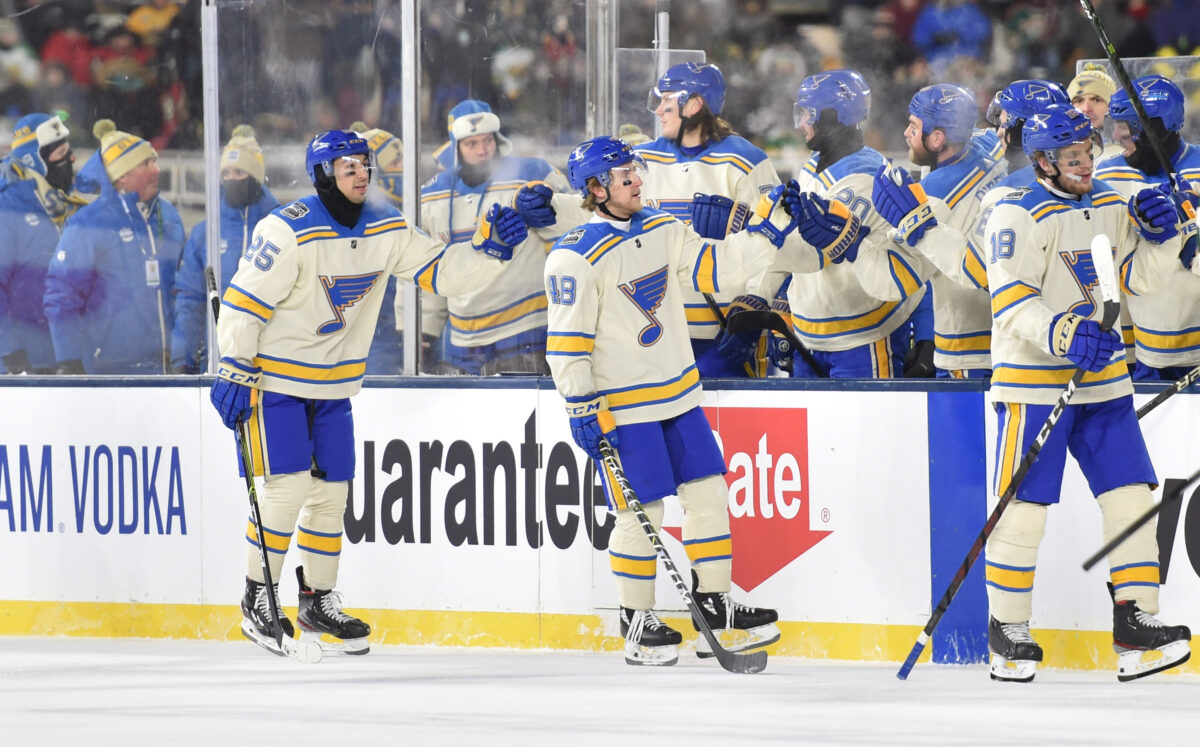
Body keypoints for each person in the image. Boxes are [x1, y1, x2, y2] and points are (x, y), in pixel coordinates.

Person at [210, 130, 524, 657]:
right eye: (347, 166)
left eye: (364, 165)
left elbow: (441, 272)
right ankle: (257, 598)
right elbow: (243, 302)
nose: (360, 173)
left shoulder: (387, 227)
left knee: (331, 498)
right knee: (286, 492)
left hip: (334, 386)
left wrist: (489, 249)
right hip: (277, 382)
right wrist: (236, 367)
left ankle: (316, 600)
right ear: (322, 174)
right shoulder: (287, 230)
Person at [544, 135, 779, 667]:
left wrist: (768, 234)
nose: (637, 180)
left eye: (635, 171)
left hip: (678, 393)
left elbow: (716, 270)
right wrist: (581, 406)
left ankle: (714, 604)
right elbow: (567, 346)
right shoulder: (573, 258)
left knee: (709, 493)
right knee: (639, 512)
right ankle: (636, 620)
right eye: (624, 175)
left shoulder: (663, 228)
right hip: (625, 408)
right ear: (595, 189)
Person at [982, 104, 1191, 682]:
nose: (1085, 164)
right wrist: (1064, 334)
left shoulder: (1108, 205)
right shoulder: (1015, 214)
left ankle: (1136, 624)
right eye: (1072, 157)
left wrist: (1161, 236)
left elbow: (1141, 281)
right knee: (1022, 512)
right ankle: (1008, 632)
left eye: (1088, 154)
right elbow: (1010, 304)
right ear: (1044, 160)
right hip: (1033, 387)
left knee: (1130, 497)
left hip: (1105, 386)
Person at [739, 69, 932, 379]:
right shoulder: (811, 167)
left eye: (808, 114)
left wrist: (740, 229)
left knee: (863, 429)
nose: (801, 122)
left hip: (863, 336)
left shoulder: (871, 178)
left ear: (834, 116)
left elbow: (809, 253)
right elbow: (798, 259)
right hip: (810, 336)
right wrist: (784, 312)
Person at [637, 62, 782, 377]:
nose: (659, 110)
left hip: (722, 332)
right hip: (654, 331)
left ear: (693, 104)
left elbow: (770, 244)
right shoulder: (641, 161)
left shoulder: (747, 162)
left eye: (666, 101)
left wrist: (753, 310)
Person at [419, 100, 578, 375]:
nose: (482, 150)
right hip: (463, 337)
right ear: (455, 146)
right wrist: (425, 329)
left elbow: (578, 228)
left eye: (487, 140)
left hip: (527, 328)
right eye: (471, 144)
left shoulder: (533, 174)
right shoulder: (431, 195)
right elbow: (429, 266)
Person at [872, 84, 1008, 378]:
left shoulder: (932, 198)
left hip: (966, 351)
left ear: (937, 138)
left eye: (913, 126)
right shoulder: (989, 144)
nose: (907, 134)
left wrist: (852, 245)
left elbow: (891, 280)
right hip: (1005, 336)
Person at [44, 119, 185, 374]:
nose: (156, 169)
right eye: (146, 163)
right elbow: (62, 297)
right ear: (121, 176)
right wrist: (68, 360)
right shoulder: (88, 224)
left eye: (154, 161)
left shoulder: (169, 215)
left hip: (166, 371)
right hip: (107, 374)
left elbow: (184, 289)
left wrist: (184, 353)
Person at [1094, 74, 1200, 382]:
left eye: (1125, 128)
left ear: (1154, 127)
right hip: (1141, 351)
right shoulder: (1106, 175)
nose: (1115, 136)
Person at [171, 125, 279, 374]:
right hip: (218, 362)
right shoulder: (206, 232)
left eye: (240, 172)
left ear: (256, 175)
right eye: (226, 173)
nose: (231, 179)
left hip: (273, 364)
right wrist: (183, 359)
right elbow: (190, 299)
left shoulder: (280, 226)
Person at [0, 113, 93, 375]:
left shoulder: (71, 206)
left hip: (71, 359)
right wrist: (10, 351)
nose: (71, 158)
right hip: (21, 368)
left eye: (69, 150)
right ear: (35, 160)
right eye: (60, 152)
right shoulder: (8, 208)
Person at [349, 121, 408, 374]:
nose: (403, 168)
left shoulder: (413, 210)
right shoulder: (350, 219)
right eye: (395, 162)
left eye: (403, 159)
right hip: (372, 340)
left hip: (410, 336)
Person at [1067, 68, 1123, 160]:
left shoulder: (1129, 154)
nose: (1086, 108)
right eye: (1079, 101)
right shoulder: (1057, 158)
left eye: (1096, 100)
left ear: (1113, 106)